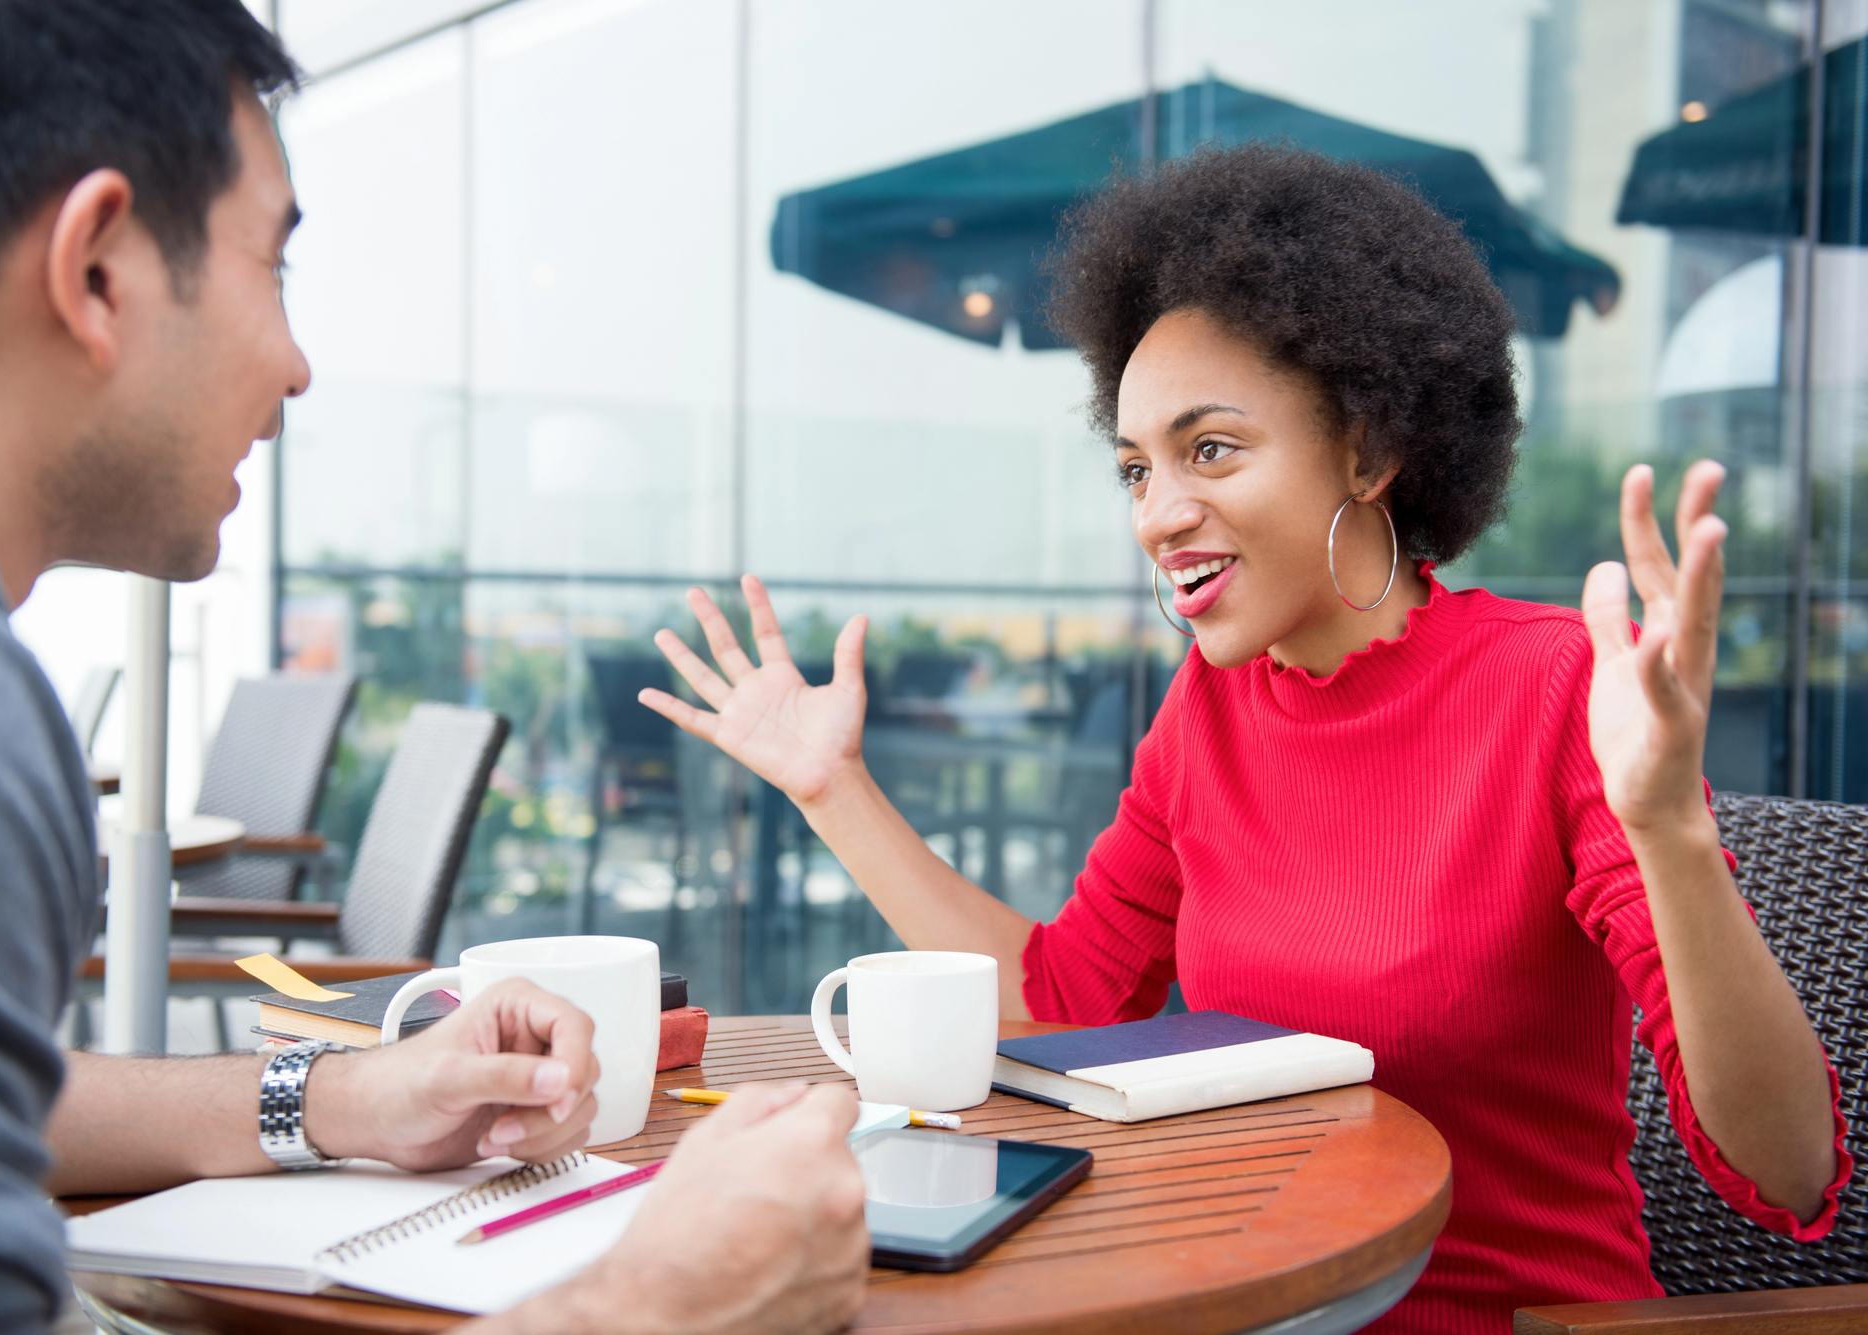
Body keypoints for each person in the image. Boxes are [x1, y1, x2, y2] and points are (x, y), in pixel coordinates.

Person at [642, 145, 1852, 1333]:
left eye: (1208, 449)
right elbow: (1062, 999)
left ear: (1370, 449)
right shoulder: (1208, 709)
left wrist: (1672, 835)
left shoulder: (1552, 689)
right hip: (1237, 1301)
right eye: (1133, 468)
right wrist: (830, 787)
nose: (1159, 515)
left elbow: (1789, 1169)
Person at [0, 3, 867, 1333]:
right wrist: (666, 1298)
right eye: (272, 267)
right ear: (98, 267)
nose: (296, 365)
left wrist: (348, 1092)